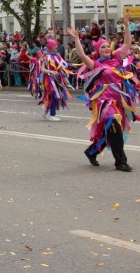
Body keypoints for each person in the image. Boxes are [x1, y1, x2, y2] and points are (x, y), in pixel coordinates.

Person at [66, 16, 135, 172]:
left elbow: (127, 44)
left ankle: (91, 152)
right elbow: (83, 56)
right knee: (114, 127)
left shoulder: (117, 58)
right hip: (104, 103)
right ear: (98, 50)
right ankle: (121, 162)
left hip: (119, 102)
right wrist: (77, 39)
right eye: (102, 47)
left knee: (111, 132)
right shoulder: (96, 64)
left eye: (107, 46)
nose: (106, 49)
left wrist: (126, 26)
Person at [40, 39, 72, 121]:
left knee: (57, 95)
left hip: (58, 78)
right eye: (55, 45)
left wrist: (66, 68)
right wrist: (52, 72)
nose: (56, 46)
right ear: (50, 46)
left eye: (56, 45)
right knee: (54, 94)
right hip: (49, 79)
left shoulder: (58, 55)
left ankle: (45, 108)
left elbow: (62, 64)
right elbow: (42, 69)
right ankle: (52, 115)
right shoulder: (46, 57)